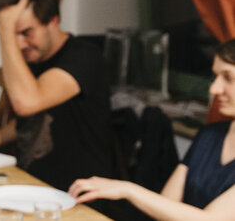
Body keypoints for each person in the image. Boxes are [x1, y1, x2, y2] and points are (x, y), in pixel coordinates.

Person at [0, 0, 112, 192]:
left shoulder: (84, 57)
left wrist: (5, 29)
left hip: (78, 196)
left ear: (53, 21)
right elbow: (34, 118)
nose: (20, 44)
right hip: (30, 184)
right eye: (15, 34)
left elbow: (27, 103)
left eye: (26, 32)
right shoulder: (33, 58)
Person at [68, 39, 235, 219]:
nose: (214, 88)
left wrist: (127, 189)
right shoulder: (209, 135)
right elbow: (167, 203)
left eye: (228, 78)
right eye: (215, 77)